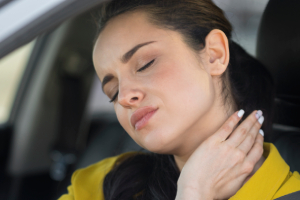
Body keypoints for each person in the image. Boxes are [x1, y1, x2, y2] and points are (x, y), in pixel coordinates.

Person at [59, 0, 300, 199]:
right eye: (112, 91)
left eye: (145, 64)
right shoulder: (96, 187)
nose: (123, 98)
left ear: (215, 55)